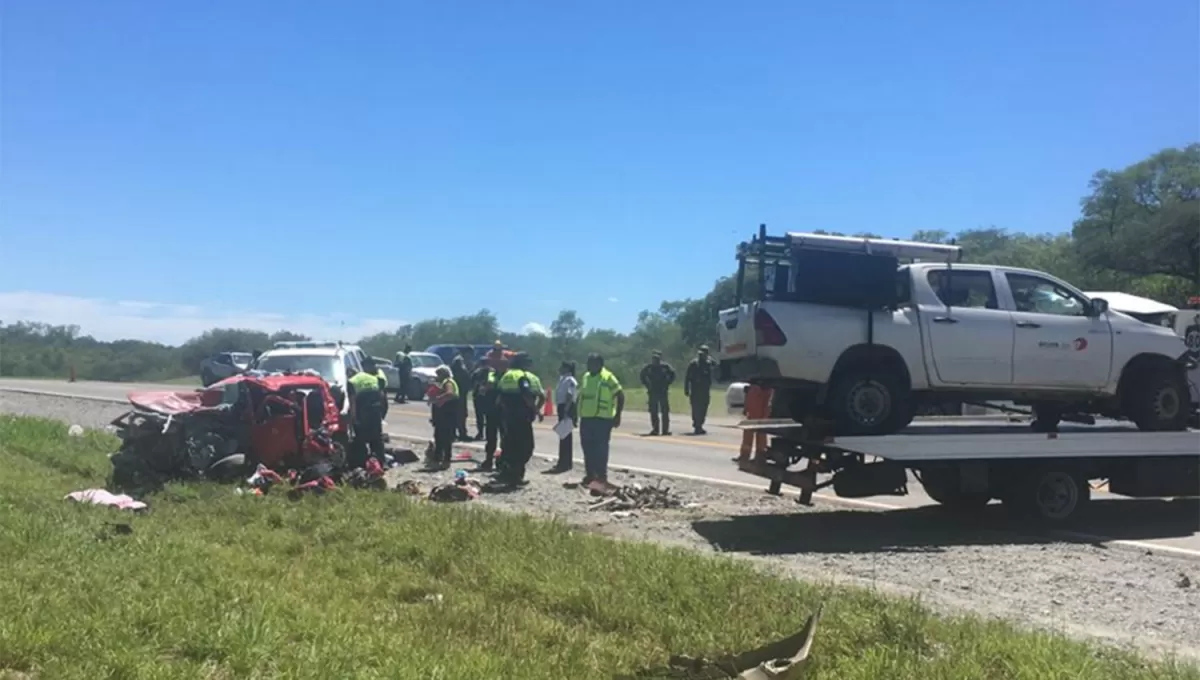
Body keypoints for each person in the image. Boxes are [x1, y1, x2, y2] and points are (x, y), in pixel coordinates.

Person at [495, 352, 544, 486]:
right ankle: (516, 475)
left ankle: (507, 473)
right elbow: (529, 396)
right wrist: (536, 411)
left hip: (508, 417)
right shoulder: (526, 377)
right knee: (525, 447)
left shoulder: (506, 375)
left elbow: (499, 397)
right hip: (523, 418)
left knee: (509, 446)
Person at [577, 353, 624, 485]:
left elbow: (620, 394)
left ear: (600, 364)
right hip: (587, 418)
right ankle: (590, 475)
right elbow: (581, 396)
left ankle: (601, 476)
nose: (589, 366)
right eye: (588, 363)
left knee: (600, 449)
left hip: (603, 419)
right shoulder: (586, 377)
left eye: (592, 363)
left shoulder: (607, 377)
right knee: (587, 447)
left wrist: (618, 414)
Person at [348, 357, 387, 467]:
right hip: (375, 411)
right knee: (377, 439)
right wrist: (381, 414)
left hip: (362, 413)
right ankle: (381, 462)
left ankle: (362, 463)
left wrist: (353, 418)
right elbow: (382, 397)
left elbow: (353, 402)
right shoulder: (374, 378)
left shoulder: (352, 381)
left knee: (361, 439)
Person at [548, 360, 578, 473]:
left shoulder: (570, 380)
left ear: (567, 368)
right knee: (563, 436)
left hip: (567, 407)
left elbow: (570, 395)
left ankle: (565, 463)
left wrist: (566, 410)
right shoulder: (563, 379)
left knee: (565, 437)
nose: (559, 369)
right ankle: (564, 461)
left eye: (562, 367)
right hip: (562, 407)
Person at [429, 366, 460, 469]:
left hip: (448, 412)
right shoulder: (445, 382)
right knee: (440, 435)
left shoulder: (448, 382)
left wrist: (437, 399)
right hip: (446, 413)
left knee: (445, 436)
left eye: (438, 375)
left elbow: (449, 393)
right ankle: (438, 457)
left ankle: (445, 459)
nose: (437, 377)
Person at [639, 350, 676, 436]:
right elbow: (642, 376)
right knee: (653, 411)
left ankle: (665, 430)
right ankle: (655, 429)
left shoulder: (665, 367)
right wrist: (647, 385)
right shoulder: (649, 367)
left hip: (663, 391)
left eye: (657, 359)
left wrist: (668, 383)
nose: (656, 361)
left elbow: (673, 374)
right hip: (653, 391)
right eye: (654, 359)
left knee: (665, 411)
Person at [684, 344, 717, 435]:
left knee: (704, 408)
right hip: (695, 390)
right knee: (695, 408)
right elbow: (687, 377)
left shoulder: (709, 362)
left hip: (705, 390)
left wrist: (710, 359)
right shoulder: (694, 363)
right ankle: (697, 425)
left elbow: (717, 367)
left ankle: (700, 424)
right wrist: (686, 389)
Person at [450, 351, 473, 441]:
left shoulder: (458, 360)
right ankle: (461, 433)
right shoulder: (459, 361)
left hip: (459, 390)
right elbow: (464, 373)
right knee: (460, 413)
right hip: (459, 391)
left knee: (458, 413)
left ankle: (455, 433)